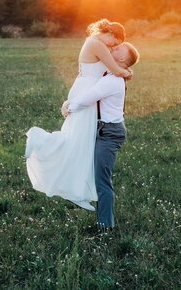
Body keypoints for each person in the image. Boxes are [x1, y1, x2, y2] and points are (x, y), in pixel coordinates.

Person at [25, 19, 131, 211]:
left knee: (83, 143)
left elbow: (111, 69)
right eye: (114, 43)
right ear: (111, 34)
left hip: (89, 92)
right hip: (87, 93)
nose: (113, 48)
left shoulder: (97, 43)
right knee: (74, 140)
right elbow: (115, 69)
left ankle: (77, 191)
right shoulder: (96, 43)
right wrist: (127, 72)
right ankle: (38, 139)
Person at [62, 42, 140, 230]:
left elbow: (89, 97)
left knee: (102, 181)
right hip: (102, 130)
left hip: (109, 133)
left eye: (118, 49)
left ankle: (106, 226)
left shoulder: (112, 80)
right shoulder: (112, 72)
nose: (113, 48)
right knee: (93, 173)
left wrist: (67, 107)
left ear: (121, 59)